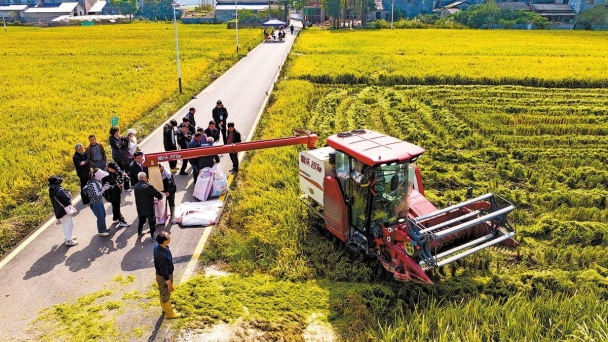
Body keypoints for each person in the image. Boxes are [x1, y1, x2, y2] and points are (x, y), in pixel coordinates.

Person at [153, 231, 180, 319]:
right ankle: (169, 313)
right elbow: (164, 272)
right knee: (165, 294)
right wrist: (169, 285)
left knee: (162, 292)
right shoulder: (162, 256)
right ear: (164, 241)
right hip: (164, 277)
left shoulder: (159, 246)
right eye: (168, 237)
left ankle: (165, 307)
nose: (170, 238)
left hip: (161, 275)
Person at [48, 176, 78, 246]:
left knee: (64, 224)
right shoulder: (59, 190)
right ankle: (69, 240)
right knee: (69, 224)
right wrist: (69, 194)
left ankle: (67, 237)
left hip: (58, 210)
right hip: (65, 209)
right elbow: (67, 198)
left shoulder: (51, 190)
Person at [134, 172, 164, 238]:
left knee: (141, 220)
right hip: (148, 207)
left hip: (140, 207)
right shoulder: (148, 186)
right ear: (145, 177)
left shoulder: (136, 186)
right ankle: (153, 236)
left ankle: (139, 233)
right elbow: (158, 195)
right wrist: (160, 198)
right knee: (152, 221)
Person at [103, 162, 130, 228]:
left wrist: (123, 175)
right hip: (111, 193)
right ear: (109, 168)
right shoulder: (105, 175)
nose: (115, 170)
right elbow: (106, 186)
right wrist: (116, 185)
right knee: (116, 207)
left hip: (116, 191)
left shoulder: (113, 171)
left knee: (115, 206)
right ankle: (122, 221)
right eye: (114, 169)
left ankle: (115, 218)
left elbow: (118, 172)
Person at [87, 169, 112, 237]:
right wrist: (104, 189)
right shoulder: (92, 183)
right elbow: (96, 194)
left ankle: (103, 228)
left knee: (103, 215)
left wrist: (103, 187)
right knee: (100, 216)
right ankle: (101, 231)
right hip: (95, 203)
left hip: (99, 202)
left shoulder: (96, 181)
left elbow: (99, 190)